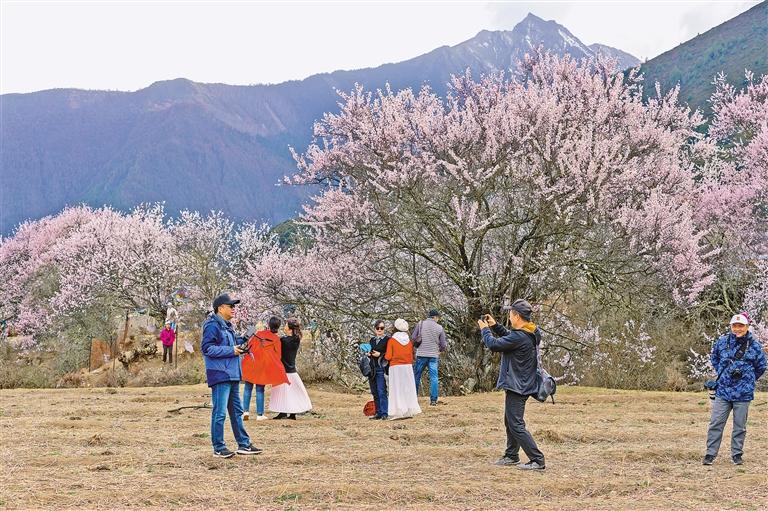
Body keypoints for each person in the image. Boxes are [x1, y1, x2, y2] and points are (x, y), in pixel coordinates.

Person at [478, 299, 545, 471]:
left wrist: (485, 330)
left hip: (518, 385)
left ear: (517, 316)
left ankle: (537, 459)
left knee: (516, 424)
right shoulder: (531, 332)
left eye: (510, 314)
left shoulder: (520, 336)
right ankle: (511, 455)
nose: (509, 317)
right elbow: (510, 338)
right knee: (510, 421)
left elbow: (494, 345)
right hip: (523, 382)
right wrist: (495, 326)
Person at [201, 293, 262, 458]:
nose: (234, 309)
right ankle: (219, 447)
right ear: (220, 308)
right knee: (220, 412)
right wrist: (231, 350)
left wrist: (247, 336)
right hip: (220, 374)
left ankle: (244, 444)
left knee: (236, 412)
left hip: (233, 373)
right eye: (231, 306)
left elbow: (234, 342)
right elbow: (207, 348)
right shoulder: (212, 325)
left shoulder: (227, 326)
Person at [702, 312, 766, 466]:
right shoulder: (722, 342)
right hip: (723, 391)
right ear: (731, 326)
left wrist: (748, 378)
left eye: (741, 326)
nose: (737, 329)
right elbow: (715, 358)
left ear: (747, 326)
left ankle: (737, 454)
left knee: (739, 426)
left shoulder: (755, 346)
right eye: (735, 326)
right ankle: (710, 454)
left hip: (743, 393)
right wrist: (723, 373)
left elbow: (761, 366)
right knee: (716, 423)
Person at [241, 316, 289, 421]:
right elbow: (278, 356)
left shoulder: (258, 334)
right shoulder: (276, 339)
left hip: (251, 363)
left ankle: (245, 412)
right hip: (262, 366)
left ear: (268, 324)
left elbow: (249, 345)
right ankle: (260, 415)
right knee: (260, 390)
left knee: (247, 388)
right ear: (278, 327)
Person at [269, 318, 313, 419]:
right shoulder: (296, 339)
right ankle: (291, 413)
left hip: (284, 370)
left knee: (282, 393)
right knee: (292, 392)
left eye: (286, 325)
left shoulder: (284, 340)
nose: (284, 327)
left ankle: (283, 412)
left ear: (290, 328)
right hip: (292, 370)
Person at [385, 318, 422, 420]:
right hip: (407, 367)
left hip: (395, 367)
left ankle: (397, 411)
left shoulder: (392, 340)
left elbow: (388, 356)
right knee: (407, 389)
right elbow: (411, 356)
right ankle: (408, 410)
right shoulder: (409, 341)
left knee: (396, 389)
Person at [411, 309, 447, 406]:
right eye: (438, 317)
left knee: (417, 376)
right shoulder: (439, 327)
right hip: (433, 356)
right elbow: (443, 344)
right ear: (435, 317)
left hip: (421, 354)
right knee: (434, 378)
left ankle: (413, 399)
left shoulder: (420, 324)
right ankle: (433, 400)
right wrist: (439, 351)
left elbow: (413, 337)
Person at [368, 320, 390, 420]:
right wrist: (369, 354)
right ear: (375, 329)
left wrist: (380, 354)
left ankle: (385, 412)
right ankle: (378, 412)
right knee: (374, 391)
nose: (380, 330)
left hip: (381, 368)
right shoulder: (372, 340)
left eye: (382, 328)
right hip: (372, 368)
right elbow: (370, 352)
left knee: (382, 391)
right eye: (378, 328)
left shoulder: (387, 340)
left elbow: (389, 354)